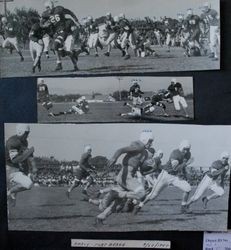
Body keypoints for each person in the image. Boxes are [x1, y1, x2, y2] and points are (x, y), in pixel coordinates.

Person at [134, 140, 193, 214]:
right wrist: (186, 163)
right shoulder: (175, 153)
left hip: (175, 177)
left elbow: (182, 167)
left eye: (188, 150)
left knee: (188, 188)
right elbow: (175, 168)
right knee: (153, 195)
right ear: (181, 147)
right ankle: (139, 206)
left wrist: (186, 175)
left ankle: (183, 207)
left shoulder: (188, 155)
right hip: (165, 175)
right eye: (185, 149)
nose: (186, 151)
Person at [41, 0, 80, 71]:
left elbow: (70, 12)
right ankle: (75, 64)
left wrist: (76, 20)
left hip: (63, 31)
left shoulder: (59, 9)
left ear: (51, 6)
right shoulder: (45, 14)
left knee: (55, 45)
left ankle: (59, 64)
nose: (47, 9)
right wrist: (44, 25)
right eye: (46, 8)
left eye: (48, 7)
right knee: (62, 53)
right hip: (56, 33)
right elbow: (41, 23)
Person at [5, 124, 37, 207]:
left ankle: (10, 192)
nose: (27, 135)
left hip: (15, 170)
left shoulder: (24, 142)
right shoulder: (13, 141)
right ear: (21, 132)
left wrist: (33, 168)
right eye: (26, 133)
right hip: (7, 168)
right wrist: (28, 152)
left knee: (29, 184)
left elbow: (28, 156)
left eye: (28, 133)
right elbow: (15, 159)